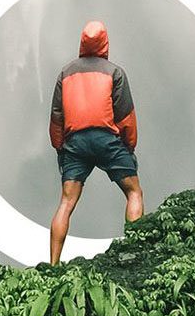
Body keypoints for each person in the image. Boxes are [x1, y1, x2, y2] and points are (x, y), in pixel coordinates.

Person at [48, 20, 144, 264]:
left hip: (75, 142)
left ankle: (53, 264)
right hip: (106, 139)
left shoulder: (65, 73)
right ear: (105, 43)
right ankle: (133, 252)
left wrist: (60, 147)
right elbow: (125, 117)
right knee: (133, 192)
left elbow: (57, 117)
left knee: (66, 202)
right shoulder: (115, 72)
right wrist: (129, 148)